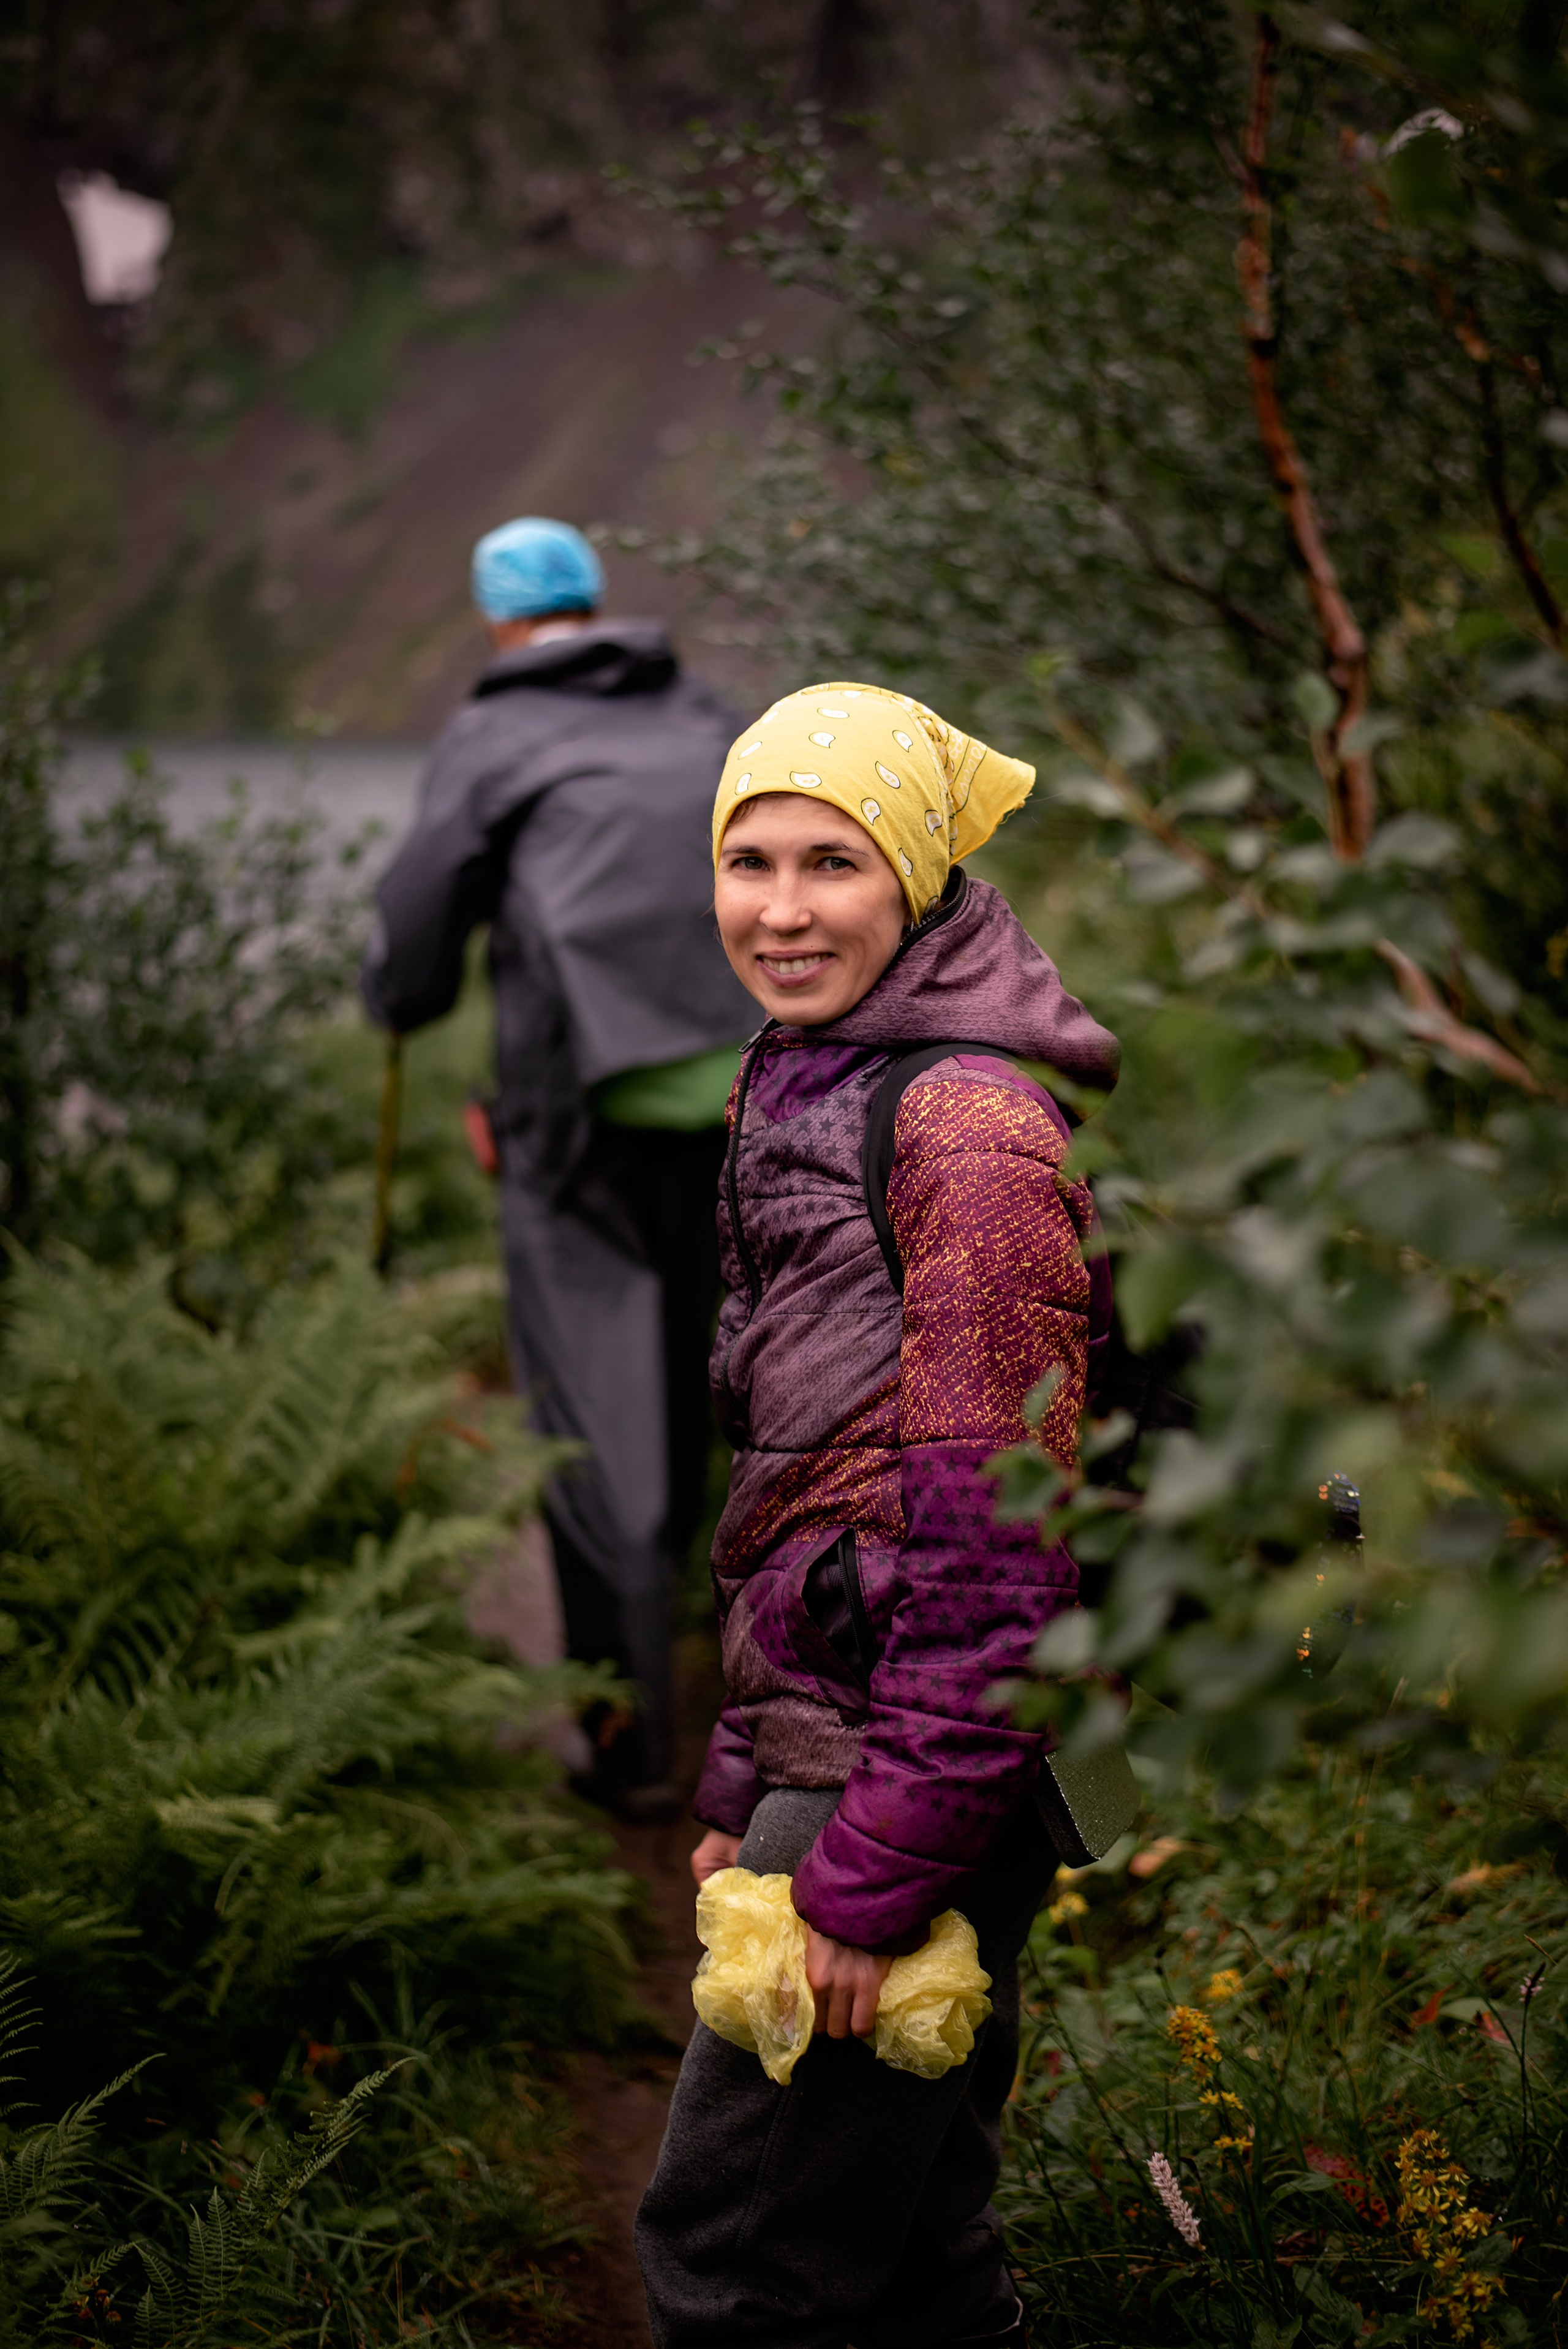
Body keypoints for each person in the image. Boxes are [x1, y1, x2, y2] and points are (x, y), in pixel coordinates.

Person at [634, 683, 1120, 2347]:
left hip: (907, 1760)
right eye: (747, 857)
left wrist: (862, 1871)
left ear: (913, 877)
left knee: (736, 2260)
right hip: (846, 1740)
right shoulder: (810, 1081)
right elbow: (804, 1477)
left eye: (830, 862)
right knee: (911, 2248)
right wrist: (735, 1768)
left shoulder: (964, 1128)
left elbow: (998, 1545)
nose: (778, 908)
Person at [362, 516, 755, 1818]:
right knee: (712, 1376)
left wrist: (398, 999)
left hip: (571, 1119)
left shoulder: (491, 737)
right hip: (734, 1098)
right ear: (596, 601)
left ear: (497, 620)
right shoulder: (701, 712)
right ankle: (739, 1682)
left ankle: (628, 1746)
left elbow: (414, 945)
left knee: (592, 1422)